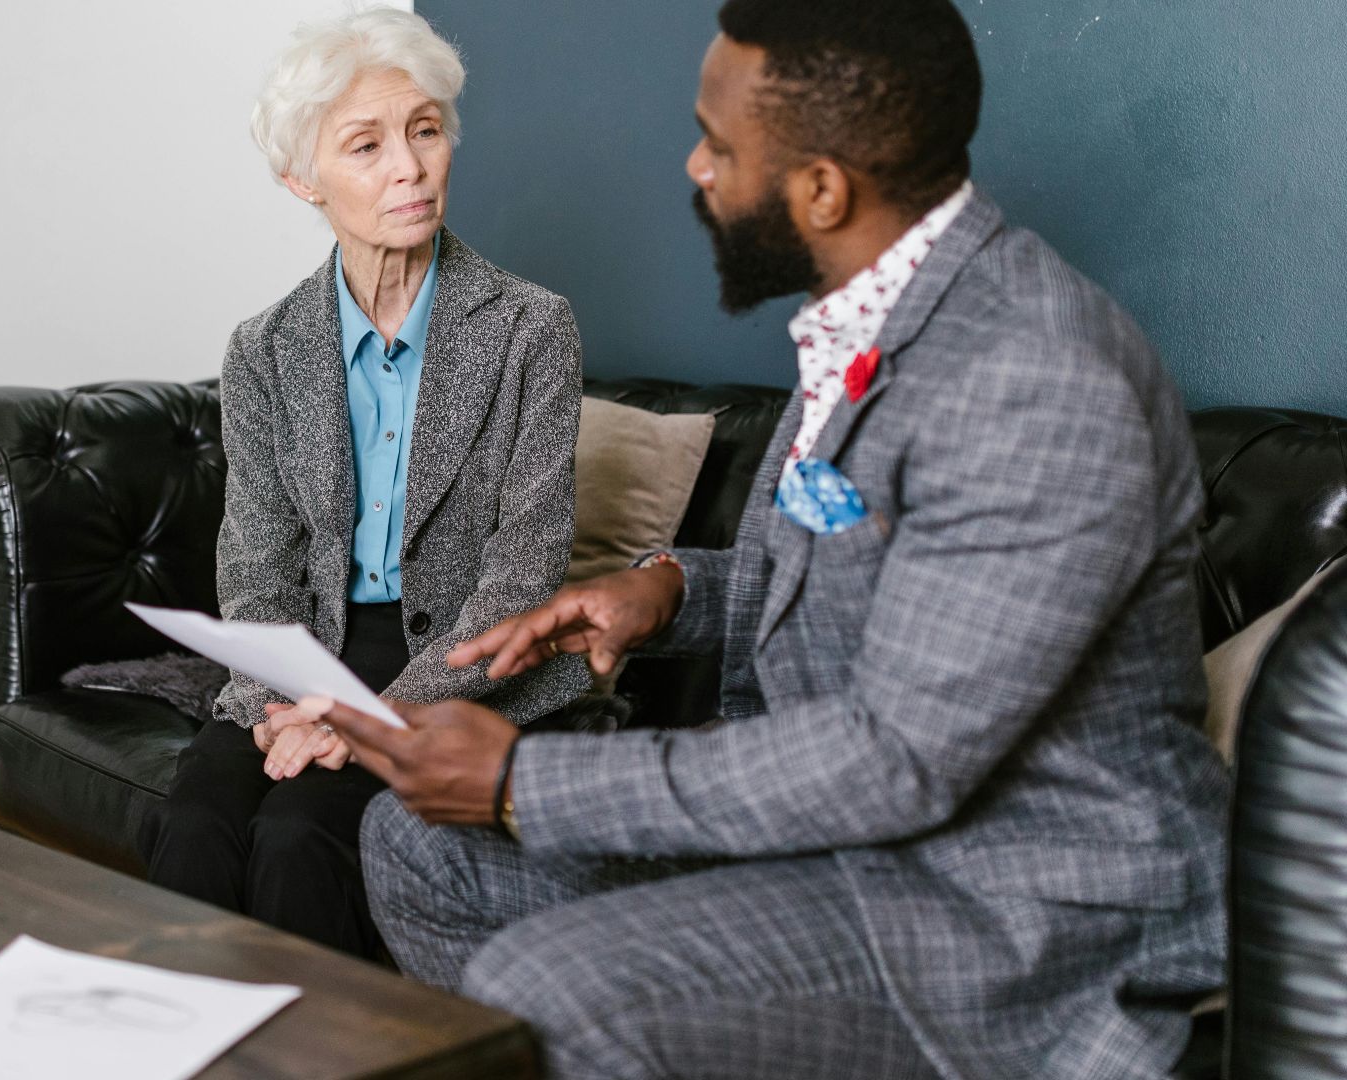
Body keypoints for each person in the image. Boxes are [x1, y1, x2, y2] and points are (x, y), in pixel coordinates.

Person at [311, 0, 1229, 1075]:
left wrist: (523, 782)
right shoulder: (871, 312)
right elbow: (879, 583)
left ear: (823, 189)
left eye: (720, 144)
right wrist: (667, 591)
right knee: (421, 851)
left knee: (550, 991)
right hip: (848, 847)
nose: (697, 168)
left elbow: (899, 757)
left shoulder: (1034, 379)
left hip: (1016, 914)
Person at [136, 8, 590, 960]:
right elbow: (256, 571)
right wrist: (285, 705)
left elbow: (522, 579)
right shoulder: (262, 349)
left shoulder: (531, 329)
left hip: (459, 661)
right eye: (367, 144)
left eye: (425, 131)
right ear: (303, 179)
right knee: (200, 824)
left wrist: (372, 720)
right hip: (308, 654)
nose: (409, 168)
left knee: (302, 838)